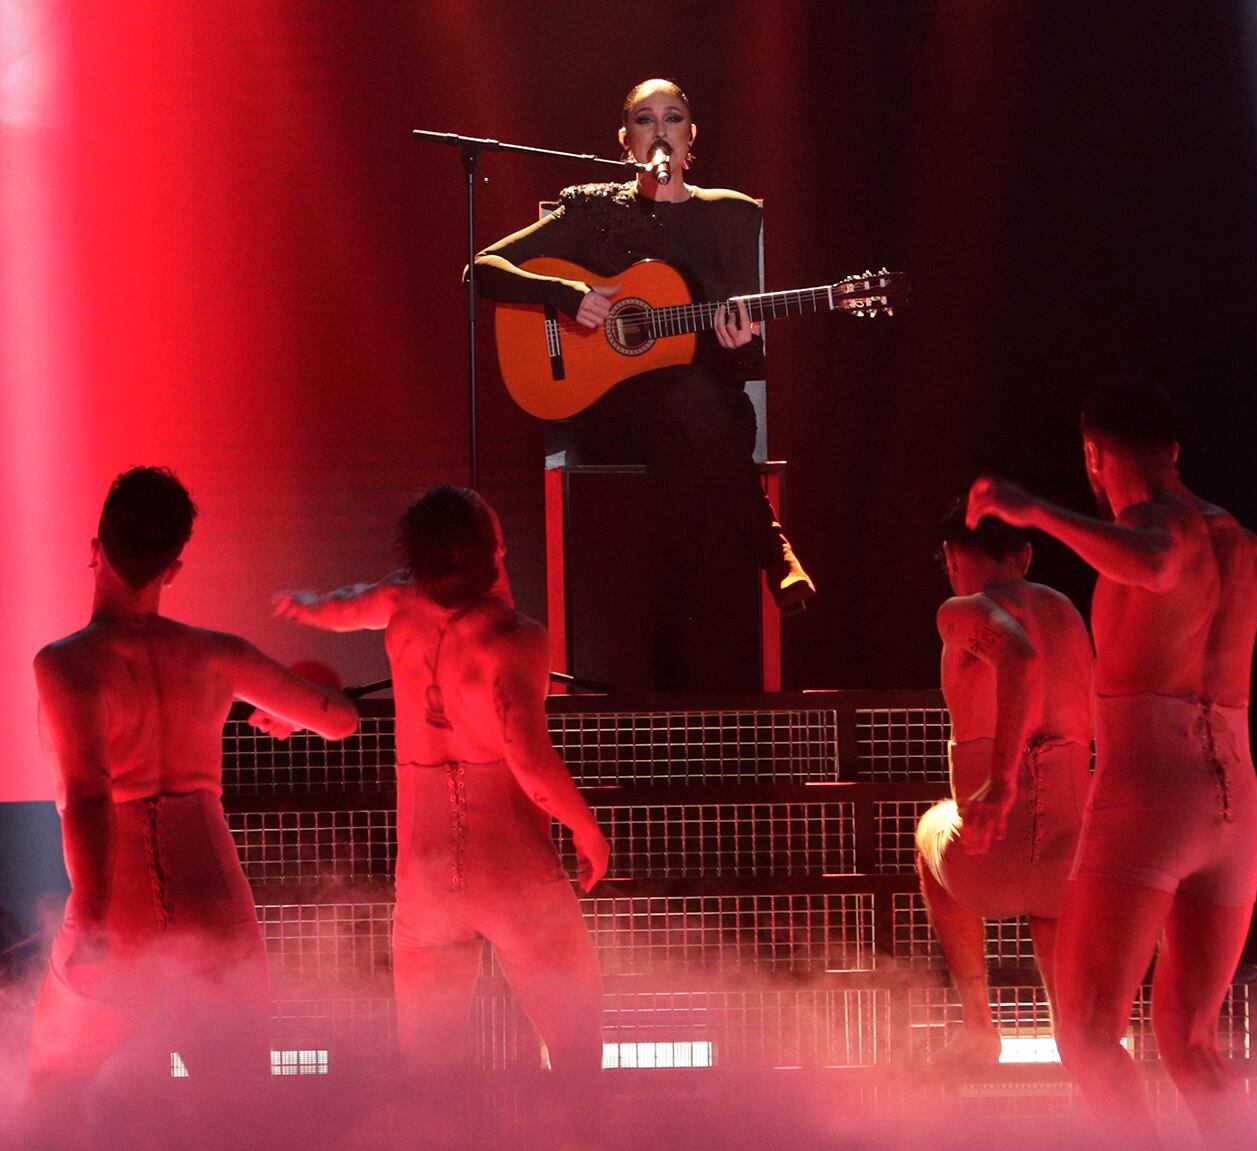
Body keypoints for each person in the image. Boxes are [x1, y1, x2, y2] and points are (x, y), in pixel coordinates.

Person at [966, 381, 1257, 1145]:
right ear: (1173, 453)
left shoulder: (1155, 527)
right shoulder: (1244, 549)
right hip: (1236, 809)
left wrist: (1035, 510)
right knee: (1189, 1041)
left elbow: (1155, 562)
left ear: (1094, 456)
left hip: (1148, 798)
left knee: (1083, 1029)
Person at [28, 467, 359, 1097]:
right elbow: (339, 721)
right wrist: (300, 707)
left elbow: (90, 796)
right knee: (238, 1111)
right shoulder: (217, 654)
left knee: (52, 1090)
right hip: (217, 910)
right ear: (173, 568)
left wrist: (93, 927)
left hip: (116, 916)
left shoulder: (66, 665)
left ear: (95, 549)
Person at [474, 76, 814, 690]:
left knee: (689, 418)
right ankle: (773, 549)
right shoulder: (596, 210)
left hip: (706, 412)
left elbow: (741, 357)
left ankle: (668, 677)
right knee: (685, 407)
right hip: (611, 412)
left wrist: (739, 347)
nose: (661, 130)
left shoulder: (730, 216)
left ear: (692, 137)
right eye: (646, 120)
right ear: (626, 141)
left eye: (674, 118)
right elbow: (481, 269)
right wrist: (564, 293)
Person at [271, 485, 611, 1078]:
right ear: (497, 548)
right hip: (511, 864)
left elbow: (347, 604)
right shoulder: (514, 637)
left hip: (425, 873)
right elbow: (528, 759)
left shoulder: (399, 604)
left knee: (429, 1072)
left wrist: (307, 603)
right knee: (578, 1045)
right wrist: (586, 828)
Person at [914, 500, 1093, 1068]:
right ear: (1026, 555)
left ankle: (978, 1026)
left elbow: (1020, 658)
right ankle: (1071, 1033)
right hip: (1072, 865)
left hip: (985, 863)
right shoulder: (1066, 610)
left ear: (950, 556)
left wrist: (1002, 779)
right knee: (1052, 904)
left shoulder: (960, 609)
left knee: (931, 826)